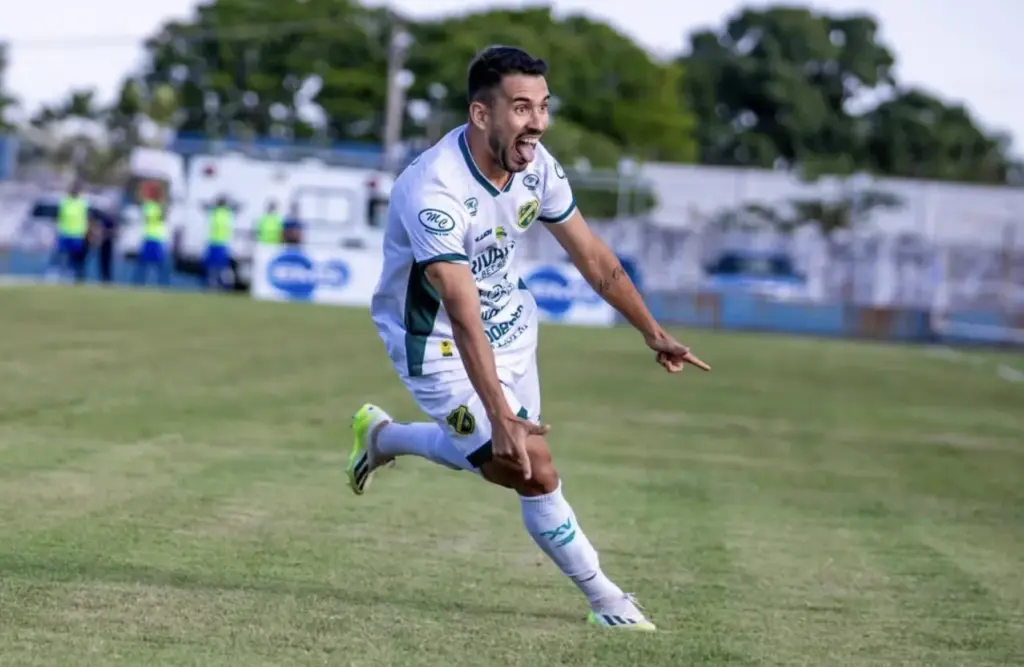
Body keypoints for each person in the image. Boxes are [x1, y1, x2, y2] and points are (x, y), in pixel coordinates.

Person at [348, 45, 711, 632]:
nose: (537, 122)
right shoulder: (433, 190)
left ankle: (385, 438)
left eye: (543, 107)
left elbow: (592, 256)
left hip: (512, 330)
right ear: (481, 114)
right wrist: (500, 410)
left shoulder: (536, 165)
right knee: (533, 467)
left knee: (501, 463)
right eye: (521, 108)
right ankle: (609, 601)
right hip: (435, 344)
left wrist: (652, 331)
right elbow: (461, 312)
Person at [205, 195, 234, 289]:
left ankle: (222, 284)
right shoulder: (225, 213)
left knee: (219, 266)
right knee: (215, 266)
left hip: (219, 243)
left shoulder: (217, 212)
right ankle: (215, 284)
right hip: (217, 243)